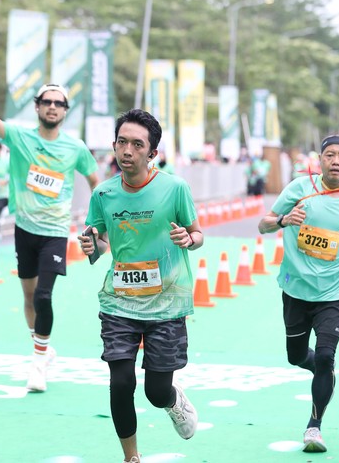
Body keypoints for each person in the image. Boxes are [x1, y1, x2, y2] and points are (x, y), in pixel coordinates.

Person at [78, 109, 203, 463]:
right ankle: (131, 457)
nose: (127, 151)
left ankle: (173, 400)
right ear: (114, 145)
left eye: (137, 144)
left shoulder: (174, 188)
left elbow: (197, 234)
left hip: (167, 302)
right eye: (122, 142)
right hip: (119, 301)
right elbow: (101, 243)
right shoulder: (103, 194)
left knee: (155, 391)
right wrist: (92, 246)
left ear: (152, 153)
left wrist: (188, 239)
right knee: (120, 382)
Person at [0, 62, 99, 393]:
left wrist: (96, 220)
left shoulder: (75, 147)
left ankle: (38, 363)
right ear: (37, 107)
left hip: (55, 232)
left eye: (59, 103)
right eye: (47, 102)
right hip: (24, 229)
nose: (52, 107)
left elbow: (95, 182)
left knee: (43, 295)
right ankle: (41, 345)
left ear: (65, 111)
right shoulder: (19, 137)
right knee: (28, 297)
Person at [258, 134, 339, 453]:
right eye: (330, 155)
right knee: (297, 356)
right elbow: (263, 225)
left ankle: (314, 426)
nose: (336, 161)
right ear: (320, 159)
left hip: (337, 292)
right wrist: (284, 220)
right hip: (296, 289)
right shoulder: (299, 188)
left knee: (325, 356)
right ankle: (317, 367)